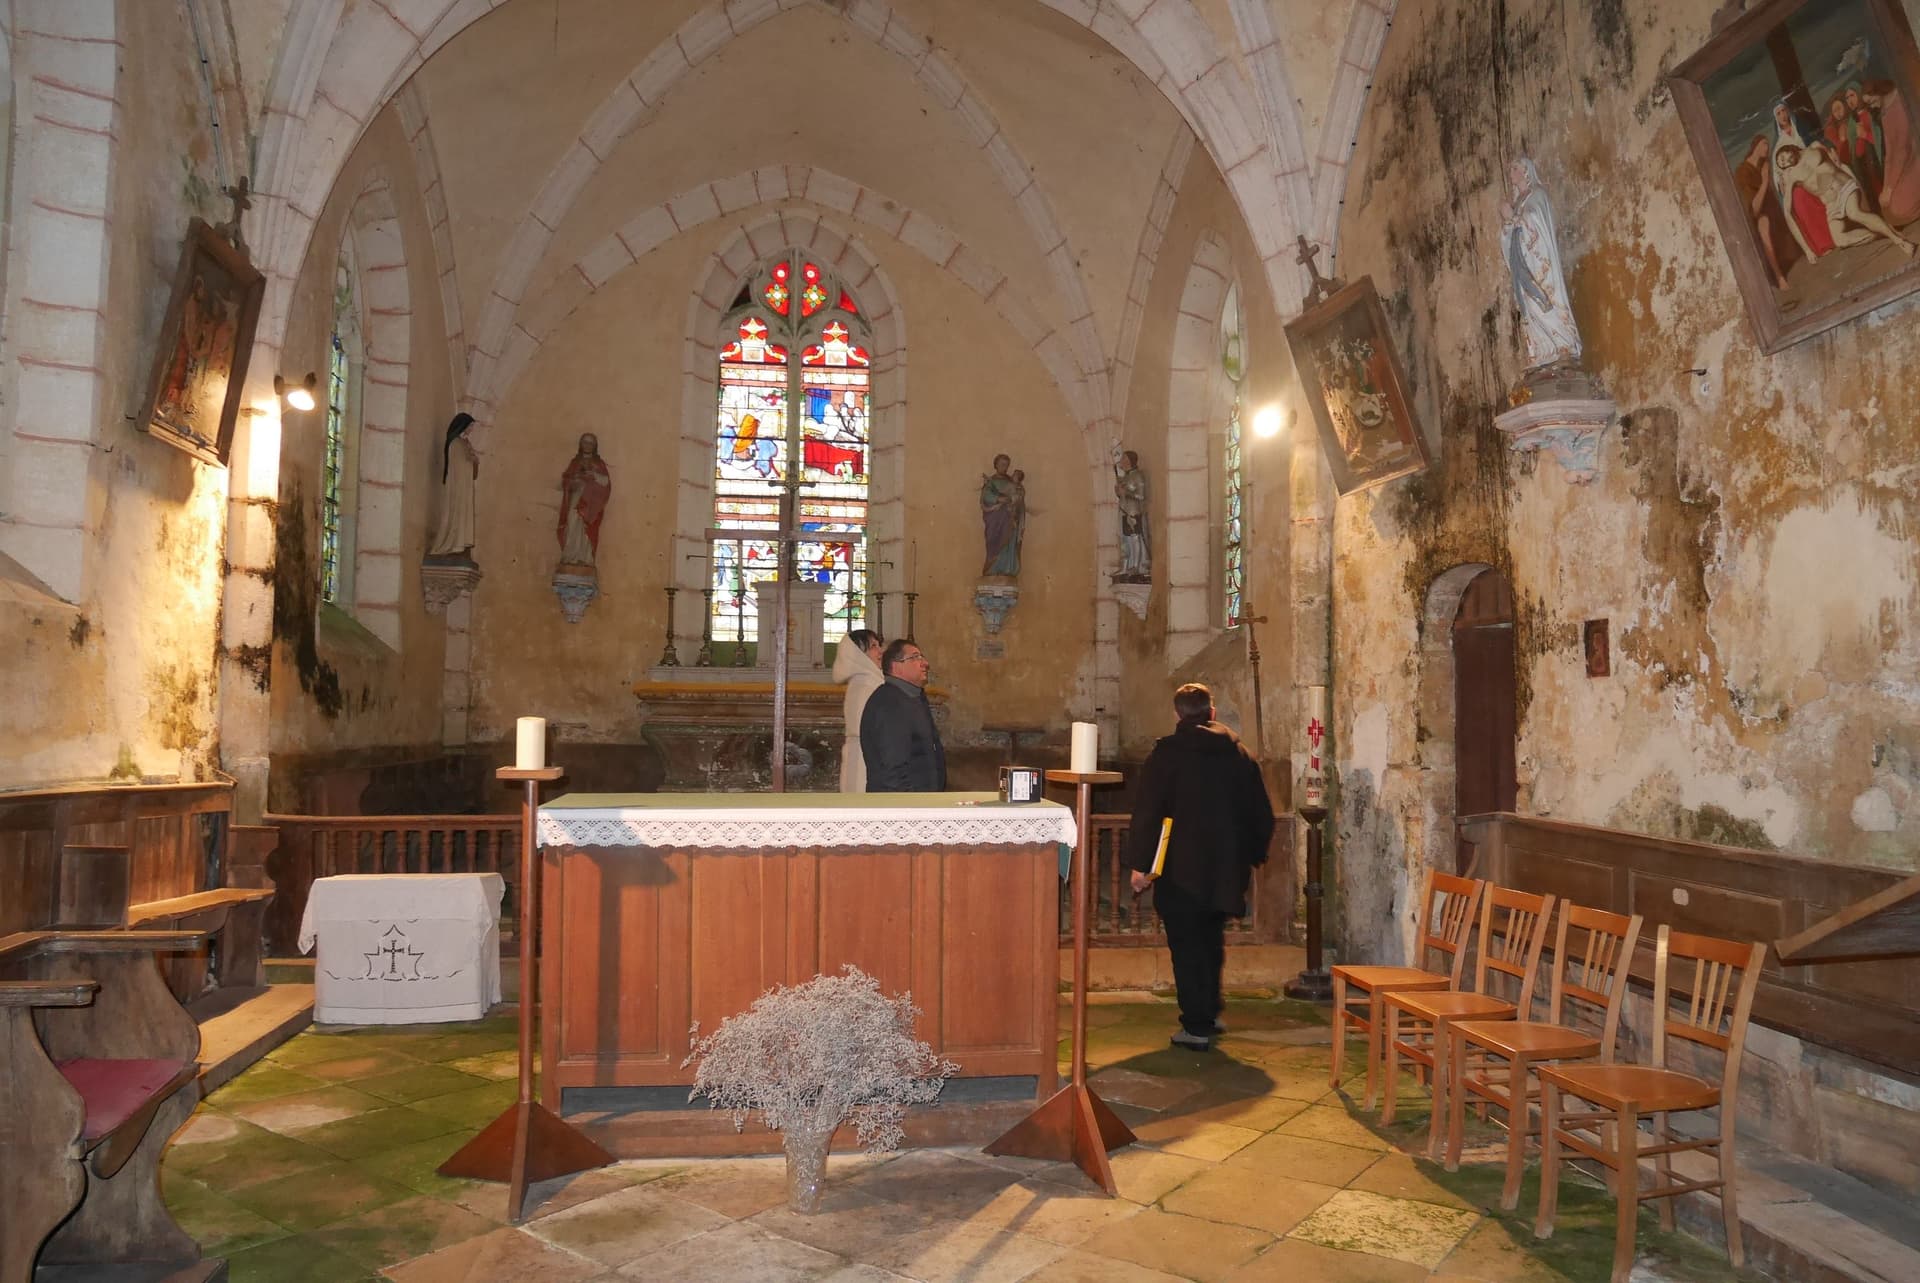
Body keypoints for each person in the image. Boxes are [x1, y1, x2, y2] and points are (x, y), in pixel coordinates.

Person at [1125, 683, 1275, 1051]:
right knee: (1211, 940)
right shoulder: (1240, 755)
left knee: (1186, 946)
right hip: (1225, 867)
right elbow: (1261, 813)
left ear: (1178, 714)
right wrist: (1250, 854)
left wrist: (1140, 866)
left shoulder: (1166, 755)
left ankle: (1195, 1025)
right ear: (1212, 712)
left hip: (1180, 868)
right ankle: (1208, 1012)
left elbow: (1147, 813)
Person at [1499, 158, 1582, 371]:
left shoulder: (1537, 195)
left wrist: (1515, 218)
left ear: (1526, 171)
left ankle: (1563, 344)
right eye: (1510, 170)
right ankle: (1544, 349)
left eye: (1515, 169)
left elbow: (1536, 222)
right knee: (1530, 306)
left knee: (1544, 298)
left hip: (1539, 264)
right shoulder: (1518, 202)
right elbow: (1510, 236)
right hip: (1522, 263)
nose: (1511, 173)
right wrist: (1509, 222)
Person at [1775, 143, 1918, 259]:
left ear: (1788, 148)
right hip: (1831, 205)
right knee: (1840, 240)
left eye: (1782, 156)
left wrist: (1836, 161)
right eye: (1781, 163)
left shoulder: (1814, 146)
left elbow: (1836, 159)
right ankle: (1884, 232)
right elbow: (1787, 213)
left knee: (1854, 213)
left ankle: (1899, 241)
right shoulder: (1792, 176)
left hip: (1844, 188)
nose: (1783, 161)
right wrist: (1806, 250)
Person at [860, 638, 946, 792]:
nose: (925, 663)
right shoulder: (889, 702)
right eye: (915, 657)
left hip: (920, 802)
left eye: (922, 656)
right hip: (902, 806)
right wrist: (908, 808)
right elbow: (893, 767)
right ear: (896, 666)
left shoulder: (912, 697)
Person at [1734, 134, 1800, 288]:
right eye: (1764, 144)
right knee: (1763, 224)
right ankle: (1779, 277)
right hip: (1754, 218)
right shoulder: (1742, 172)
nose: (1767, 148)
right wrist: (1764, 181)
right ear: (1755, 146)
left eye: (1768, 145)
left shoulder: (1764, 164)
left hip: (1771, 213)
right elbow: (1754, 209)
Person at [832, 628, 885, 792]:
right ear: (858, 655)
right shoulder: (863, 685)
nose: (880, 651)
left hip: (869, 755)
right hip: (864, 760)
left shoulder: (871, 681)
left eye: (879, 645)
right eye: (873, 646)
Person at [1861, 79, 1920, 227]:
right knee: (1889, 206)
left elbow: (1901, 151)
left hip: (1914, 158)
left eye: (1871, 100)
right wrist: (1886, 187)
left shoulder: (1900, 102)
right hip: (1904, 163)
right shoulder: (1884, 112)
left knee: (1899, 207)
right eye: (1868, 104)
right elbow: (1889, 155)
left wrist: (1890, 188)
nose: (1871, 105)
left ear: (1878, 92)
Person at [426, 413, 478, 561]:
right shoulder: (455, 444)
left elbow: (472, 470)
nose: (471, 429)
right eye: (470, 426)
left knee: (464, 513)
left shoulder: (464, 444)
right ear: (463, 426)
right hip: (458, 488)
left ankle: (461, 545)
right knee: (457, 513)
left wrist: (474, 460)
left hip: (465, 488)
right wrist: (472, 460)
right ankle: (454, 545)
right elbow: (458, 467)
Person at [557, 432, 612, 568]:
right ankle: (570, 556)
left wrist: (593, 475)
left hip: (589, 505)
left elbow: (606, 483)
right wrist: (574, 480)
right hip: (575, 500)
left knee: (585, 528)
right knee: (572, 523)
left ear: (595, 446)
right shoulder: (575, 462)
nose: (587, 445)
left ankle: (584, 557)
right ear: (580, 445)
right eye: (585, 442)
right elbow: (566, 480)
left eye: (590, 443)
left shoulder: (598, 464)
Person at [1112, 446, 1150, 582]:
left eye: (1123, 458)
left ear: (1129, 461)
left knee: (1135, 539)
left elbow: (1141, 495)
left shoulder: (1137, 475)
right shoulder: (1126, 477)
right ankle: (1127, 565)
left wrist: (1125, 493)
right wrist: (1119, 492)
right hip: (1124, 510)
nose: (1121, 461)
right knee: (1125, 540)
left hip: (1133, 511)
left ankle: (1137, 566)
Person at [980, 454, 1021, 577]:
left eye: (1006, 465)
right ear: (996, 465)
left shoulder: (1012, 482)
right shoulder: (991, 482)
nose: (1004, 467)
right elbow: (986, 496)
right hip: (994, 519)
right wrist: (998, 498)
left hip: (1009, 519)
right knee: (993, 540)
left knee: (1008, 541)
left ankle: (1006, 568)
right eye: (1002, 464)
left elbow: (1018, 497)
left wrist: (1016, 499)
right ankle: (992, 568)